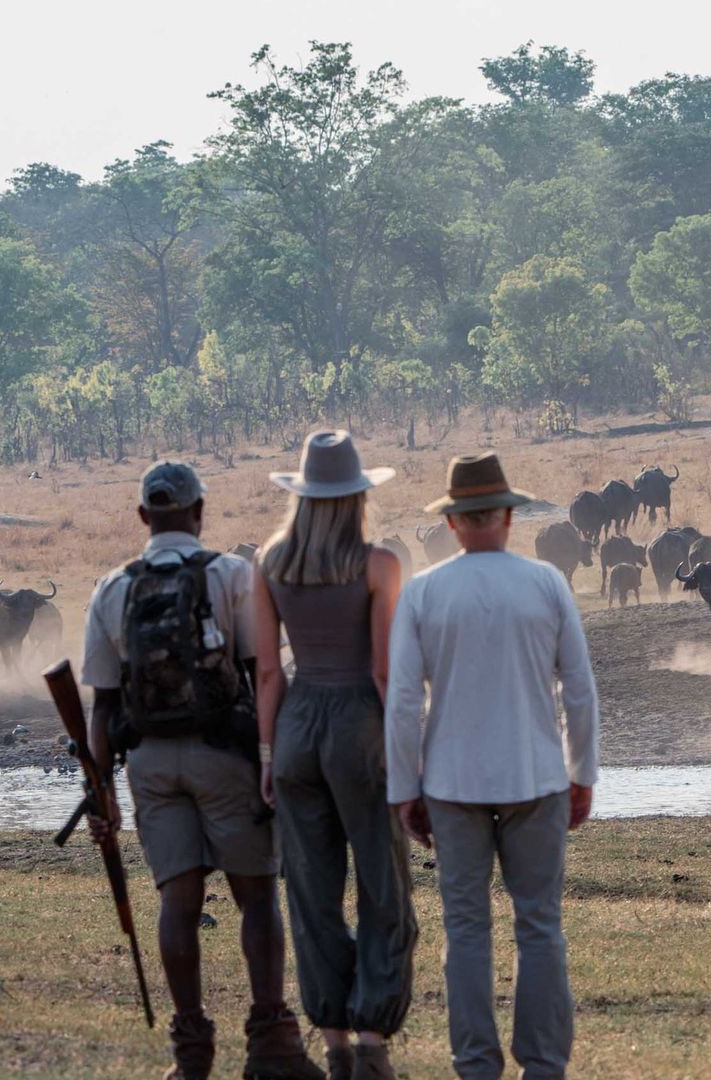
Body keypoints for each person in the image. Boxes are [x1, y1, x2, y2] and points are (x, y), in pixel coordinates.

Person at [84, 460, 325, 1080]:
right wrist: (274, 762)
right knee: (256, 897)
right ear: (199, 512)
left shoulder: (113, 588)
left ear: (143, 517)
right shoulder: (230, 574)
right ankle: (271, 1045)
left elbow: (104, 703)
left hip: (150, 764)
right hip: (227, 757)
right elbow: (259, 675)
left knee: (178, 902)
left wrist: (101, 790)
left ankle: (191, 1056)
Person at [384, 452, 599, 1080]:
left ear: (452, 523)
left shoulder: (424, 591)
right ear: (508, 515)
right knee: (539, 924)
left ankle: (476, 1064)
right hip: (536, 774)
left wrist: (405, 787)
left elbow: (402, 701)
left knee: (467, 928)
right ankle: (544, 1064)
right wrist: (581, 772)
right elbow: (579, 689)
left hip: (451, 782)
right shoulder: (546, 584)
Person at [251, 431, 417, 1080]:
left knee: (311, 892)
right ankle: (373, 1038)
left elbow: (269, 673)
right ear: (356, 498)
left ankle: (334, 1040)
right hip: (359, 727)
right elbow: (383, 671)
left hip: (295, 729)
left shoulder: (269, 564)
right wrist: (408, 748)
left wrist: (269, 755)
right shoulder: (379, 566)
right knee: (383, 885)